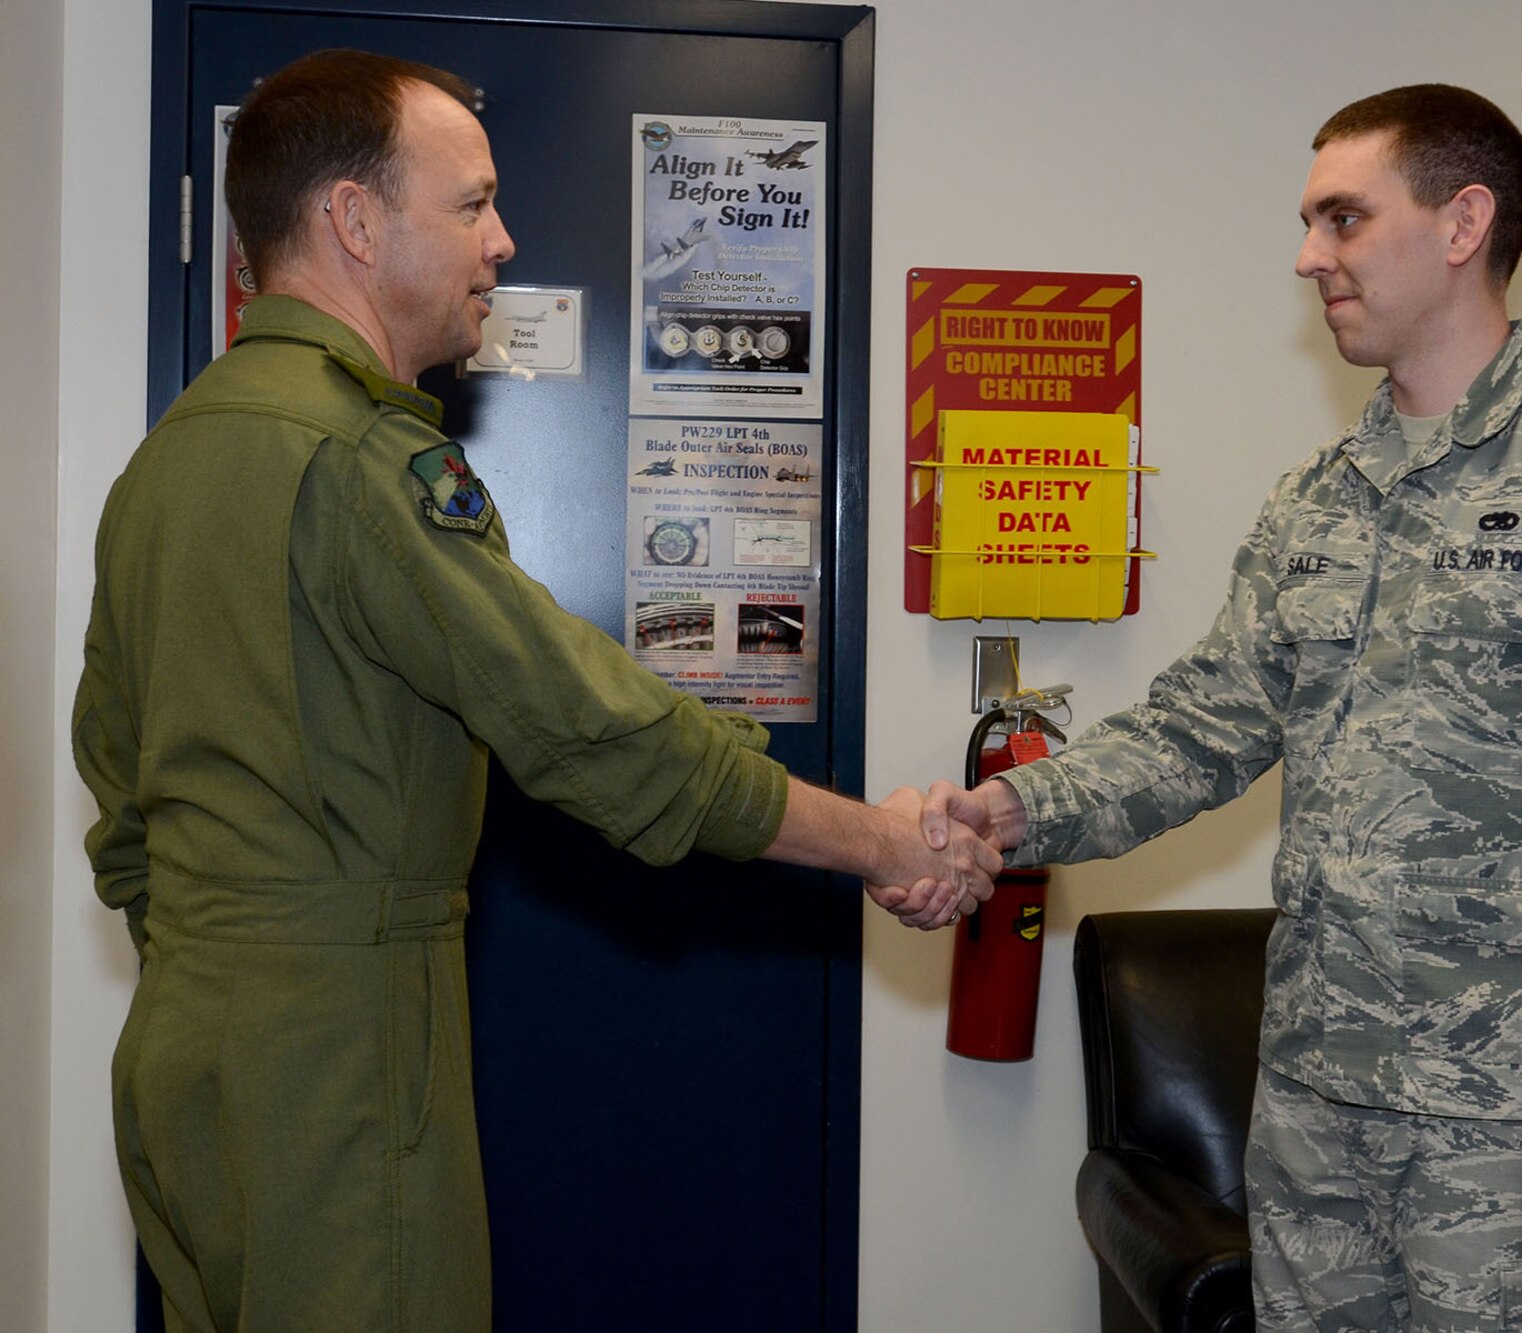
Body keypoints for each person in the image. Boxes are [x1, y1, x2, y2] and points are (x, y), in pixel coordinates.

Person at [71, 48, 992, 1333]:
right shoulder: (359, 464)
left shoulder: (164, 463)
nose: (501, 242)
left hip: (182, 1048)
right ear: (350, 220)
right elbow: (605, 736)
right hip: (338, 1062)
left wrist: (227, 959)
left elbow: (117, 794)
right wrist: (884, 840)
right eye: (470, 205)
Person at [924, 84, 1522, 1331]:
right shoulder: (1315, 500)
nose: (1306, 256)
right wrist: (998, 811)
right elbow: (1198, 728)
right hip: (1316, 1116)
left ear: (1461, 221)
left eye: (1341, 217)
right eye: (1309, 222)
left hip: (1508, 1123)